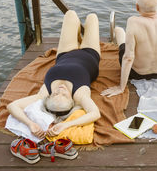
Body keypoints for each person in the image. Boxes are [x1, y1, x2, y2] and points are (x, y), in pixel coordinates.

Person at [7, 10, 101, 139]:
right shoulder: (80, 95)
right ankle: (80, 40)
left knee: (70, 14)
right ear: (72, 100)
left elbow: (12, 106)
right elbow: (95, 113)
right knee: (92, 17)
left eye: (55, 94)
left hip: (64, 53)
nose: (60, 90)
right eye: (64, 95)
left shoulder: (44, 93)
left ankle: (78, 37)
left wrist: (30, 124)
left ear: (49, 97)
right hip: (90, 54)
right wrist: (66, 125)